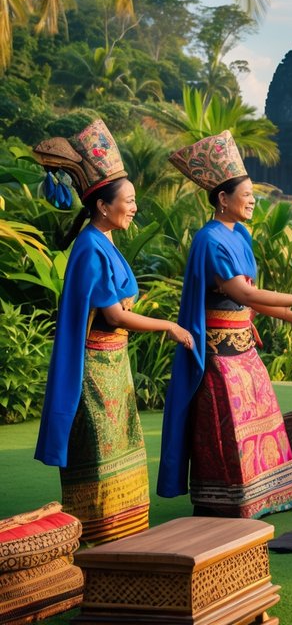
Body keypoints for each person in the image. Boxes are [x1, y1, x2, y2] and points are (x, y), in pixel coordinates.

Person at [33, 120, 193, 543]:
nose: (135, 207)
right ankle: (99, 542)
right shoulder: (90, 247)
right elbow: (116, 314)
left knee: (119, 449)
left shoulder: (102, 242)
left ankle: (120, 537)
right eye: (130, 200)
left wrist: (123, 306)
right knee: (102, 453)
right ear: (103, 206)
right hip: (97, 370)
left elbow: (120, 305)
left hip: (112, 365)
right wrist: (169, 326)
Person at [157, 131, 292, 517]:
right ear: (223, 199)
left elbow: (250, 292)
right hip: (220, 353)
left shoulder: (239, 234)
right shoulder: (210, 239)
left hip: (243, 345)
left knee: (259, 416)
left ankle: (269, 493)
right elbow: (240, 295)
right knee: (227, 422)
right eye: (246, 196)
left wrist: (285, 315)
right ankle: (228, 497)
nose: (252, 203)